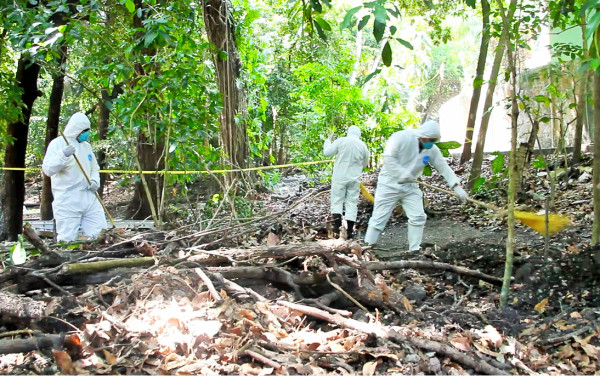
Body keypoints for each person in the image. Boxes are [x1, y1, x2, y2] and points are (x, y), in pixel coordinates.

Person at [364, 119, 468, 250]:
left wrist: (456, 187)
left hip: (410, 187)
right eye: (429, 139)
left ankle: (414, 250)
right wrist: (401, 173)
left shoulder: (432, 150)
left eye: (433, 140)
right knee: (378, 219)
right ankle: (366, 249)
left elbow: (443, 167)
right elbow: (389, 158)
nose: (431, 142)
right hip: (389, 184)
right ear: (422, 136)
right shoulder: (401, 137)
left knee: (418, 216)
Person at [42, 112, 107, 242]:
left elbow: (94, 167)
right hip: (68, 199)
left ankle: (98, 258)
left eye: (88, 130)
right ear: (76, 129)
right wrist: (63, 155)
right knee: (67, 238)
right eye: (85, 130)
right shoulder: (58, 144)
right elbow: (48, 169)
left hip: (89, 196)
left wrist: (94, 180)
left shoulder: (86, 146)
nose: (87, 133)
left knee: (100, 233)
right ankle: (66, 260)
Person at [323, 125, 370, 239]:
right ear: (358, 134)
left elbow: (327, 153)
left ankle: (337, 229)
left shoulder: (341, 141)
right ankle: (349, 231)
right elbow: (365, 163)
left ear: (348, 132)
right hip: (354, 178)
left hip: (339, 177)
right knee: (351, 203)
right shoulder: (363, 146)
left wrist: (328, 141)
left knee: (337, 201)